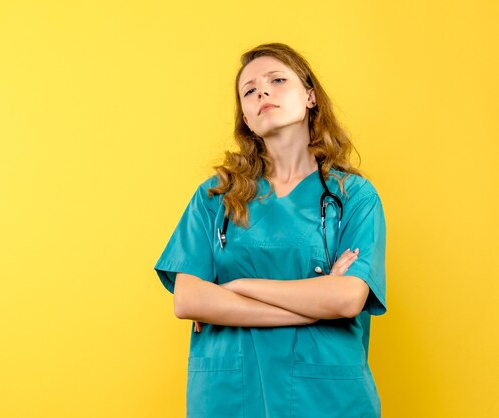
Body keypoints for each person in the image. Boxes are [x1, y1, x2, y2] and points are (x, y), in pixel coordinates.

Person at [154, 43, 387, 418]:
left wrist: (235, 288)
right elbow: (189, 301)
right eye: (249, 90)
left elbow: (346, 300)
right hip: (231, 397)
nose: (262, 91)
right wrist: (312, 307)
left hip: (326, 399)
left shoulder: (353, 197)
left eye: (277, 80)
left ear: (310, 96)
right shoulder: (216, 197)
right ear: (246, 118)